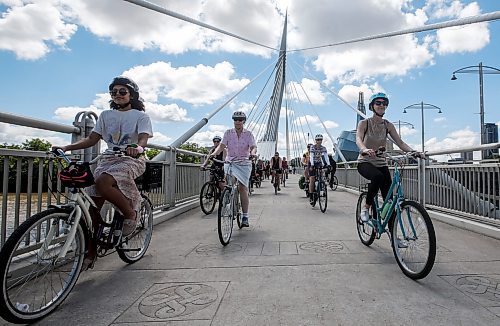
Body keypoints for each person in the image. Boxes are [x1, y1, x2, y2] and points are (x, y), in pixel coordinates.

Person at [53, 76, 153, 262]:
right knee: (92, 207)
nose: (118, 95)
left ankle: (131, 213)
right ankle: (90, 254)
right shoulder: (106, 115)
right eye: (113, 92)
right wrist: (66, 148)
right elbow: (92, 139)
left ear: (131, 94)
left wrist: (138, 148)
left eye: (122, 91)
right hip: (108, 158)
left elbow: (143, 139)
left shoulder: (141, 116)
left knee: (102, 182)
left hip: (132, 159)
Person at [356, 92, 423, 222]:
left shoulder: (388, 125)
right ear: (372, 106)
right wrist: (364, 149)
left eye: (384, 103)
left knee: (390, 201)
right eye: (378, 103)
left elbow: (401, 143)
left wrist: (414, 152)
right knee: (377, 177)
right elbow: (358, 138)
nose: (382, 105)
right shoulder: (364, 123)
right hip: (365, 162)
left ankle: (393, 238)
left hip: (381, 164)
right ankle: (366, 207)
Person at [210, 111, 257, 227]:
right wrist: (214, 154)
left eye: (240, 120)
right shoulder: (228, 133)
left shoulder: (248, 134)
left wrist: (253, 153)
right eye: (235, 119)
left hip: (244, 162)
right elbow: (221, 146)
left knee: (242, 188)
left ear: (243, 121)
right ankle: (229, 199)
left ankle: (245, 216)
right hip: (230, 161)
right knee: (229, 183)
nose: (237, 121)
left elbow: (253, 147)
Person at [308, 135, 330, 204]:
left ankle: (321, 186)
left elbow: (326, 157)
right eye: (318, 140)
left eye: (320, 140)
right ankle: (311, 195)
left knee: (321, 175)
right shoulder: (312, 147)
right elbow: (311, 156)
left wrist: (328, 164)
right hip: (312, 162)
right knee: (312, 178)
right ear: (315, 141)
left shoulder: (323, 148)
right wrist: (312, 165)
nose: (319, 141)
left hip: (319, 162)